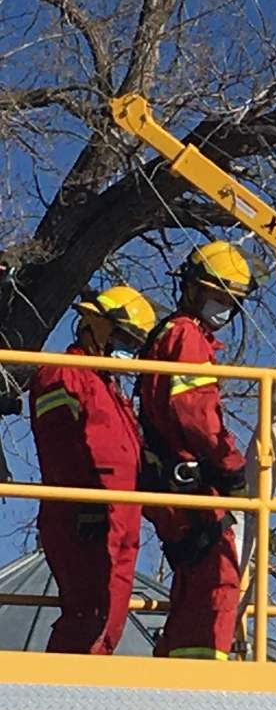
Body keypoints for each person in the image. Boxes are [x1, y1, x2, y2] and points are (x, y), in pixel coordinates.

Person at [139, 241, 255, 660]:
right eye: (216, 295)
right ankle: (200, 673)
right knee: (217, 575)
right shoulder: (186, 335)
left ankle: (174, 660)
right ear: (192, 289)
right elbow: (194, 412)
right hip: (185, 475)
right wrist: (231, 466)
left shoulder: (175, 333)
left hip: (172, 474)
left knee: (193, 572)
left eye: (231, 300)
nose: (223, 307)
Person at [29, 285, 156, 654]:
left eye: (132, 342)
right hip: (82, 516)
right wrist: (83, 503)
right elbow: (59, 446)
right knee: (89, 613)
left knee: (108, 613)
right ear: (93, 327)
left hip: (115, 517)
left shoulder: (106, 386)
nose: (126, 350)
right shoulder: (65, 374)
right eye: (121, 337)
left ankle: (85, 680)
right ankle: (61, 692)